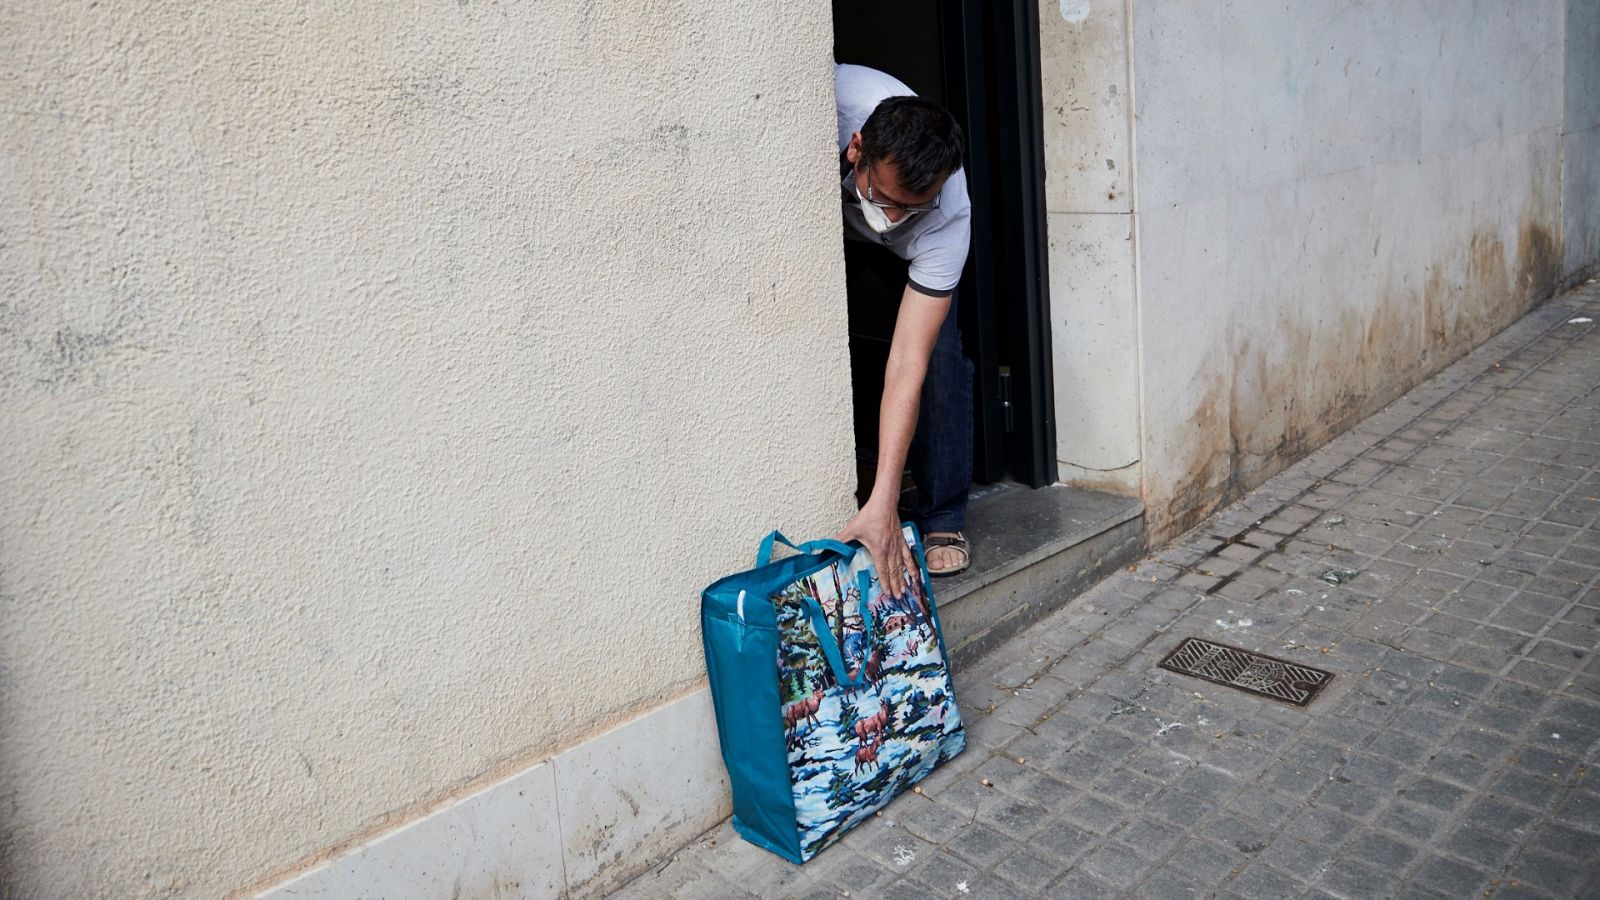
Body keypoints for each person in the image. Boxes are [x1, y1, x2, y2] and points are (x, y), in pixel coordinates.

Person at [833, 63, 974, 597]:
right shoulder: (835, 99)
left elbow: (906, 362)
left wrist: (886, 498)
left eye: (911, 207)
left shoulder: (946, 216)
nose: (894, 215)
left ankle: (942, 511)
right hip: (830, 221)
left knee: (936, 357)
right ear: (856, 150)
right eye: (887, 199)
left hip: (914, 258)